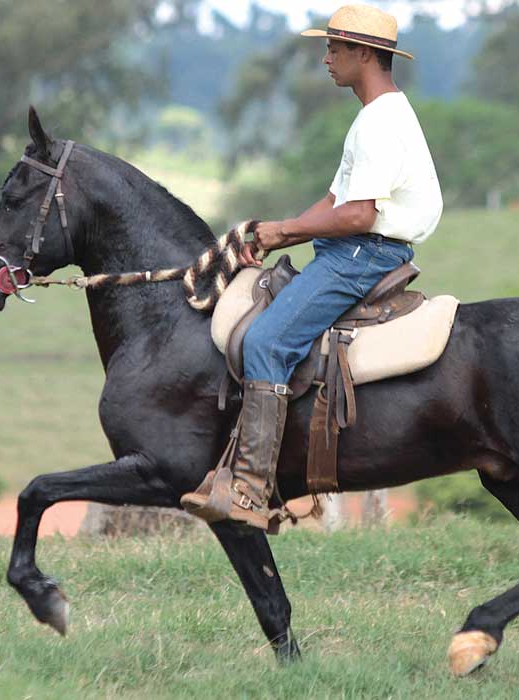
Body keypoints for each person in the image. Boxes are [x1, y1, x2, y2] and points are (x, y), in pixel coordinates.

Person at [181, 4, 443, 530]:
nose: (325, 59)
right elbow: (333, 201)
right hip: (354, 248)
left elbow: (357, 215)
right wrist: (279, 230)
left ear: (363, 54)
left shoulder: (378, 123)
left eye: (334, 49)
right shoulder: (379, 114)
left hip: (363, 254)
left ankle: (253, 490)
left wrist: (287, 232)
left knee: (265, 343)